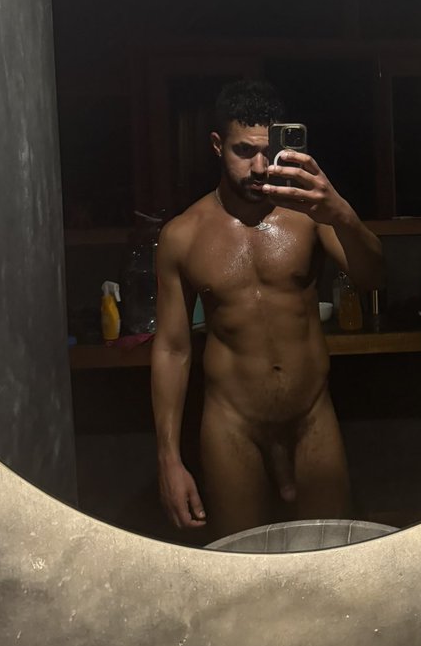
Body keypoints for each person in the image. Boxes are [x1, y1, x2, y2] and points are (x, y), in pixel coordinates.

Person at [150, 79, 385, 540]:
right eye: (243, 151)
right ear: (217, 145)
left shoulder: (310, 214)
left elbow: (374, 277)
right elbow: (172, 349)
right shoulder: (184, 235)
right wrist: (168, 459)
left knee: (331, 557)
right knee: (243, 567)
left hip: (311, 417)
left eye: (267, 151)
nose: (259, 167)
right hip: (232, 426)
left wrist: (340, 212)